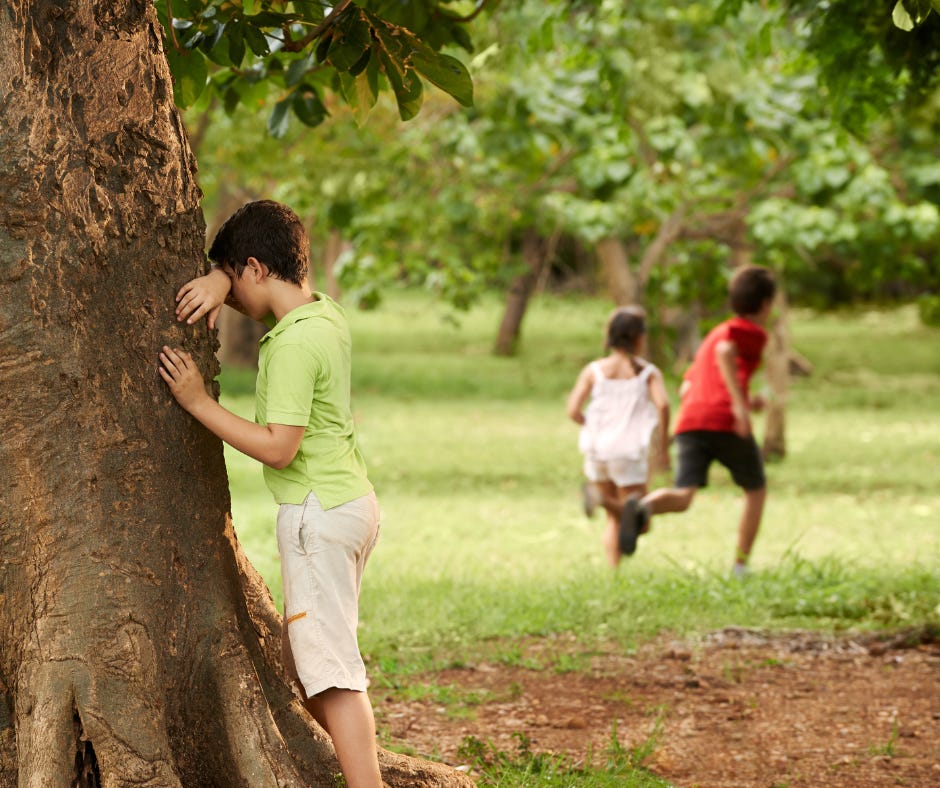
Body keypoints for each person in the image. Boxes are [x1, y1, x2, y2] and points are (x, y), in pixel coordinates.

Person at [159, 200, 382, 788]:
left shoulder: (288, 346)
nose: (229, 302)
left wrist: (198, 403)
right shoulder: (324, 314)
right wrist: (218, 274)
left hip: (316, 514)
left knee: (331, 675)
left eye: (232, 285)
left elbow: (280, 447)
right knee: (303, 662)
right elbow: (256, 274)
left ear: (255, 267)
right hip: (351, 504)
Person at [620, 264, 777, 579]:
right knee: (756, 490)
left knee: (684, 496)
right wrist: (739, 408)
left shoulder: (714, 333)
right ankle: (740, 566)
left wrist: (744, 399)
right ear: (764, 305)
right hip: (724, 420)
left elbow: (688, 385)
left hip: (691, 419)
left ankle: (643, 507)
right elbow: (725, 353)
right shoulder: (748, 332)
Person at [566, 306, 670, 567]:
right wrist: (664, 444)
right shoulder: (647, 373)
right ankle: (600, 500)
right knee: (641, 521)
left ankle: (614, 573)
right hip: (629, 451)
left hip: (597, 449)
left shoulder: (594, 370)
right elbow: (664, 405)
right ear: (639, 338)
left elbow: (572, 410)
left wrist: (590, 426)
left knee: (616, 518)